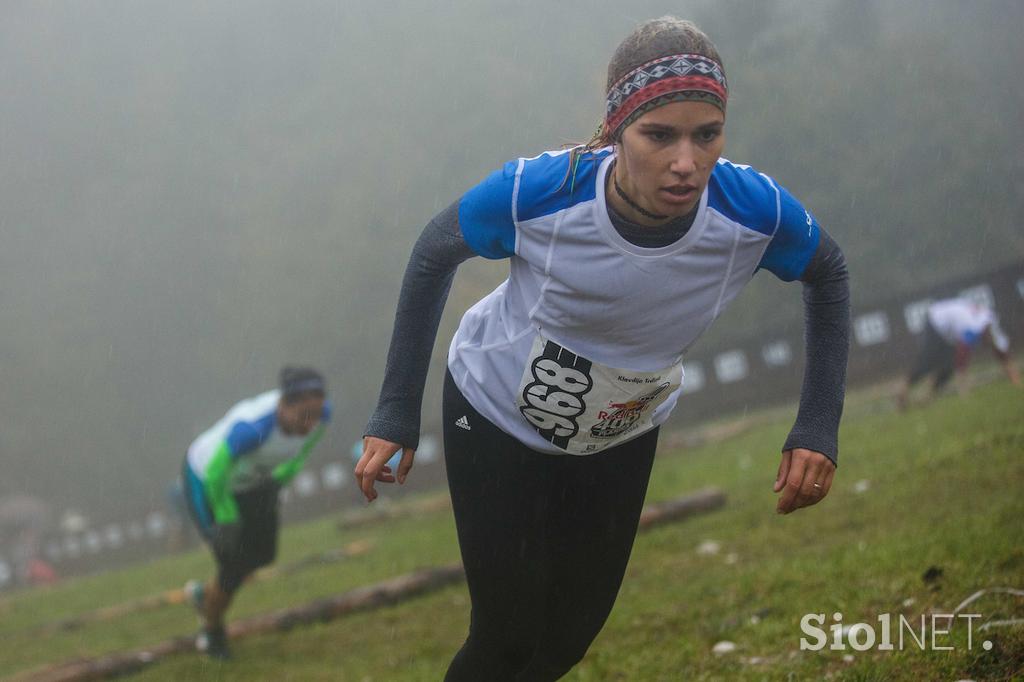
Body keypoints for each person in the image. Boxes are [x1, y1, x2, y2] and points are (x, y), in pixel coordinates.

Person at [358, 16, 850, 680]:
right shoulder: (544, 191)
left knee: (567, 637)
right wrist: (394, 413)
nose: (685, 162)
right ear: (618, 129)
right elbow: (431, 257)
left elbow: (828, 272)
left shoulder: (751, 211)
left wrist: (817, 425)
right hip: (491, 413)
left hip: (620, 431)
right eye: (659, 136)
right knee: (505, 634)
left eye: (706, 135)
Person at [182, 367, 330, 659]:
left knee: (263, 554)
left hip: (254, 481)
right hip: (208, 482)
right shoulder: (252, 428)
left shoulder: (322, 415)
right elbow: (215, 473)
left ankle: (203, 596)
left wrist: (282, 477)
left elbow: (302, 451)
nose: (310, 424)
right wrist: (225, 516)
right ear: (283, 405)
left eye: (316, 415)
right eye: (303, 416)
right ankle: (211, 632)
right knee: (232, 562)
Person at [898, 296, 1020, 409]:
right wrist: (964, 390)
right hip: (936, 320)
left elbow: (1002, 353)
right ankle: (904, 390)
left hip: (952, 329)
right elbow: (962, 359)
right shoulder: (971, 328)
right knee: (927, 361)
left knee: (948, 367)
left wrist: (1015, 379)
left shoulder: (991, 325)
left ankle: (926, 397)